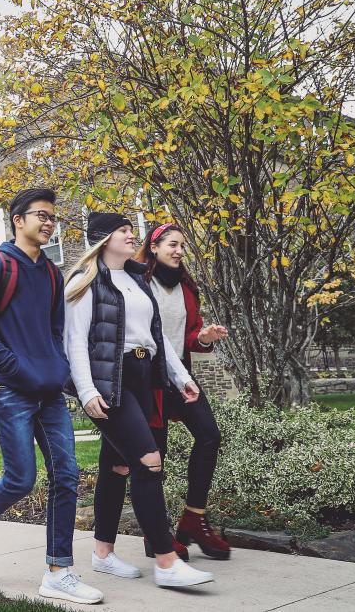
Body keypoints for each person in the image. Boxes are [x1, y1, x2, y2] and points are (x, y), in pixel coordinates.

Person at [0, 188, 104, 605]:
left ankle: (59, 570)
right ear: (17, 220)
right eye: (41, 215)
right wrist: (19, 368)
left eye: (52, 217)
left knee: (67, 476)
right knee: (20, 479)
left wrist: (56, 369)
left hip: (50, 391)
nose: (49, 222)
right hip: (11, 391)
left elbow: (56, 331)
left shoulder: (53, 274)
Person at [64, 212, 214, 588]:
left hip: (145, 377)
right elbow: (75, 343)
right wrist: (86, 392)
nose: (133, 237)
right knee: (149, 462)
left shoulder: (135, 279)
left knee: (118, 467)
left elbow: (157, 337)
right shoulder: (86, 281)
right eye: (124, 232)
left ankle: (102, 554)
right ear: (103, 239)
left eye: (132, 231)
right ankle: (166, 561)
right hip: (111, 383)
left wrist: (180, 378)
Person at [135, 223, 231, 559]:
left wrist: (204, 337)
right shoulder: (140, 283)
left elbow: (188, 336)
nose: (178, 251)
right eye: (172, 244)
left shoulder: (187, 288)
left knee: (209, 435)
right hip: (148, 379)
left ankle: (194, 519)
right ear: (154, 246)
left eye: (182, 246)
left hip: (181, 376)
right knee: (154, 457)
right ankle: (156, 535)